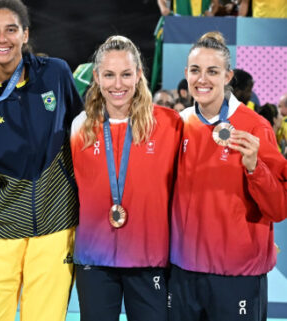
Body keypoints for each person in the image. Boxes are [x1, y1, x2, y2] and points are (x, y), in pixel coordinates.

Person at [0, 0, 82, 320]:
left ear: (25, 34)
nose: (2, 38)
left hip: (54, 228)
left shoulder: (55, 74)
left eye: (11, 29)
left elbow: (80, 136)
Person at [169, 31, 287, 321]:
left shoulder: (256, 127)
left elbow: (278, 208)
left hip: (236, 275)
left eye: (213, 71)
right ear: (186, 74)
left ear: (227, 76)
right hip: (184, 273)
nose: (202, 79)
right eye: (195, 70)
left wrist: (254, 167)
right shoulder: (179, 125)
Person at [70, 35, 182, 321]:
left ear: (139, 75)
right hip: (94, 260)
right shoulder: (80, 127)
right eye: (109, 75)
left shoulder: (169, 124)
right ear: (96, 77)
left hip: (149, 259)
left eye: (125, 74)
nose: (117, 85)